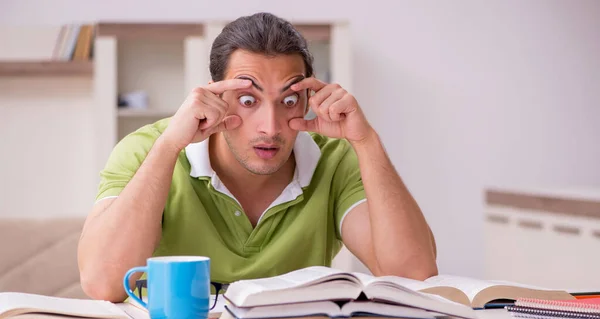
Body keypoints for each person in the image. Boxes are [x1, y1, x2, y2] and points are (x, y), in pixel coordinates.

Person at [78, 12, 438, 302]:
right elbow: (102, 283)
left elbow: (413, 277)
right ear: (215, 94)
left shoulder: (336, 160)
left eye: (288, 100)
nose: (271, 127)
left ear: (309, 97)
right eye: (248, 100)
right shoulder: (147, 150)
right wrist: (169, 148)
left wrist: (366, 140)